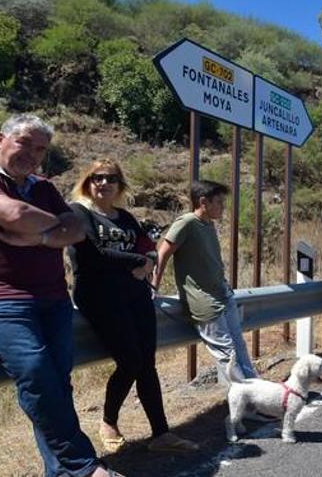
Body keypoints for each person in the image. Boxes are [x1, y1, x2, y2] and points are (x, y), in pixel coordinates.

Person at [0, 114, 121, 477]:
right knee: (36, 371)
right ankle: (84, 468)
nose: (33, 154)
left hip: (52, 298)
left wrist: (40, 236)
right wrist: (52, 226)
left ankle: (62, 472)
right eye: (25, 143)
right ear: (0, 139)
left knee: (55, 384)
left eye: (40, 149)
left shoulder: (42, 185)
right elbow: (13, 212)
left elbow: (77, 228)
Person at [67, 160, 199, 454]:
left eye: (111, 178)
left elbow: (147, 245)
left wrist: (148, 259)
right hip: (100, 298)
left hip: (135, 296)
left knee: (147, 363)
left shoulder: (125, 216)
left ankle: (162, 434)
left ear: (120, 185)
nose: (103, 183)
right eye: (97, 178)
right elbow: (92, 255)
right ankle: (108, 421)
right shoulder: (78, 212)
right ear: (88, 182)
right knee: (130, 362)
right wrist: (140, 262)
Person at [151, 180, 257, 384]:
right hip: (204, 302)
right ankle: (247, 406)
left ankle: (258, 398)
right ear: (203, 202)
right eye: (218, 202)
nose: (223, 207)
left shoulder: (208, 224)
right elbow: (163, 253)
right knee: (228, 356)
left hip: (223, 295)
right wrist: (154, 285)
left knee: (240, 348)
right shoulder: (187, 222)